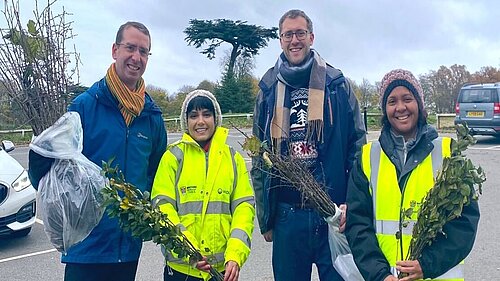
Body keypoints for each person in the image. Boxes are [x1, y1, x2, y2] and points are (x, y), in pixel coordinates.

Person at [28, 21, 167, 281]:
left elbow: (156, 173)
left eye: (144, 51)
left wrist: (142, 213)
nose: (136, 57)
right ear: (115, 50)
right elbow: (45, 170)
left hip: (127, 248)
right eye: (130, 48)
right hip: (86, 247)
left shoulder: (152, 117)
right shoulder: (84, 107)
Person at [251, 9, 366, 281]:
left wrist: (353, 204)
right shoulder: (268, 89)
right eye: (288, 34)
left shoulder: (337, 85)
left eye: (300, 33)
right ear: (280, 40)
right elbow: (259, 158)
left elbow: (357, 148)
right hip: (288, 217)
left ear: (311, 37)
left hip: (333, 214)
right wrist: (266, 218)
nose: (294, 40)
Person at [345, 69, 480, 281]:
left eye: (407, 99)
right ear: (384, 109)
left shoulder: (448, 153)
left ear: (419, 103)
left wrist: (426, 265)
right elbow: (358, 225)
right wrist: (379, 274)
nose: (400, 107)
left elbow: (465, 224)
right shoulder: (367, 158)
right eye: (392, 101)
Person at [151, 90, 255, 281]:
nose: (200, 121)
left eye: (206, 114)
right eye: (193, 116)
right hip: (181, 270)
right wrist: (188, 249)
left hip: (223, 271)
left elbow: (244, 209)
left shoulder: (233, 159)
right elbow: (162, 206)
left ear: (216, 118)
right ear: (186, 121)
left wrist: (235, 255)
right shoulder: (172, 158)